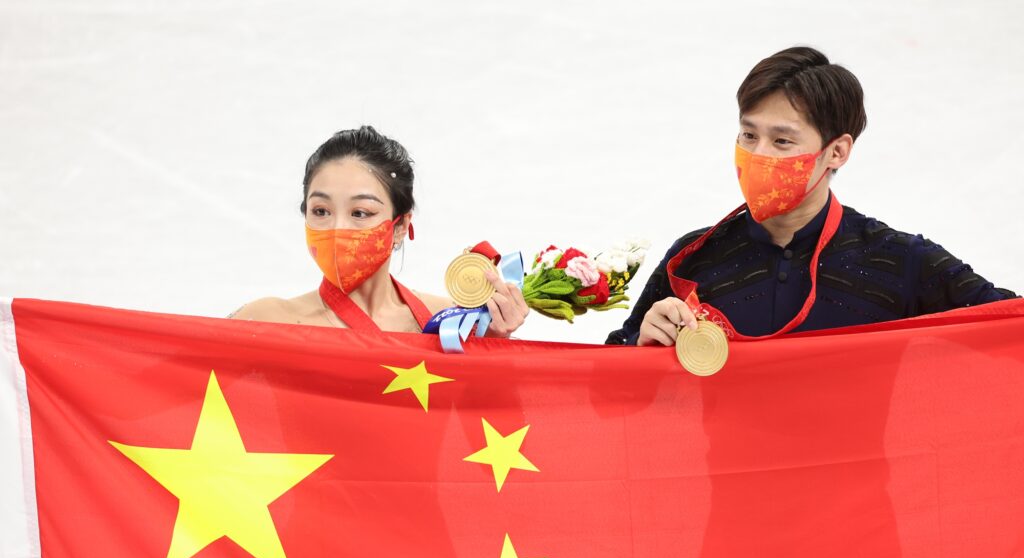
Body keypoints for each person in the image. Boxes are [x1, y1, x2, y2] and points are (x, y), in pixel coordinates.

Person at [607, 46, 1014, 346]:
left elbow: (1012, 328)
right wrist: (640, 343)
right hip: (727, 465)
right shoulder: (695, 258)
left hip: (857, 465)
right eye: (749, 135)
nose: (758, 154)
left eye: (782, 141)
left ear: (836, 152)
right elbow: (614, 390)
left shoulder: (898, 260)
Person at [231, 126, 528, 336]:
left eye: (360, 213)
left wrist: (493, 343)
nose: (337, 228)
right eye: (321, 211)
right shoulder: (266, 321)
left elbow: (477, 420)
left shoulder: (450, 324)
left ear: (400, 225)